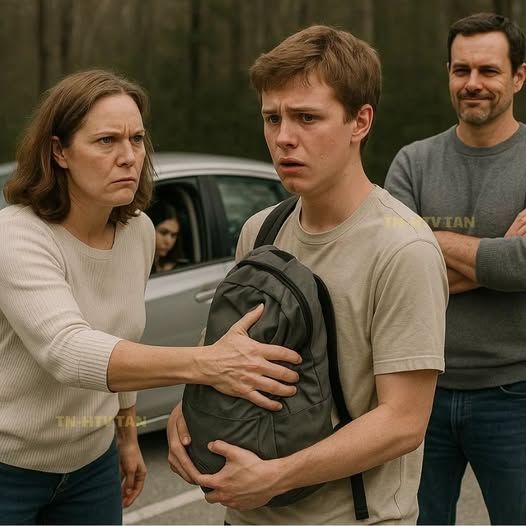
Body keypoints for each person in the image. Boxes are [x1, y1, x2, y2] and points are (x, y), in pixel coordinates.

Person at [167, 25, 448, 524]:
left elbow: (403, 422)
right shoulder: (260, 230)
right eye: (272, 118)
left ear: (360, 121)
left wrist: (276, 476)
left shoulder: (403, 247)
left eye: (306, 117)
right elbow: (224, 362)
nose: (283, 138)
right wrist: (184, 418)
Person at [0, 69, 302, 525]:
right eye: (106, 141)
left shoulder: (138, 230)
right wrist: (208, 363)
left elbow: (120, 335)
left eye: (137, 139)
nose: (128, 157)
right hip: (9, 469)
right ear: (59, 151)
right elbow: (68, 350)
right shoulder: (18, 235)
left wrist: (126, 435)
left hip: (92, 466)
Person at [384, 12, 526, 525]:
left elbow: (523, 267)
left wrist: (425, 239)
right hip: (419, 390)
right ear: (448, 73)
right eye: (461, 70)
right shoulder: (412, 162)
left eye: (488, 71)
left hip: (515, 393)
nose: (473, 83)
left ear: (519, 77)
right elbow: (395, 275)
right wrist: (499, 253)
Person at [148, 200, 183, 274]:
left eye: (173, 235)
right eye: (163, 233)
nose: (168, 241)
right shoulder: (137, 264)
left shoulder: (176, 266)